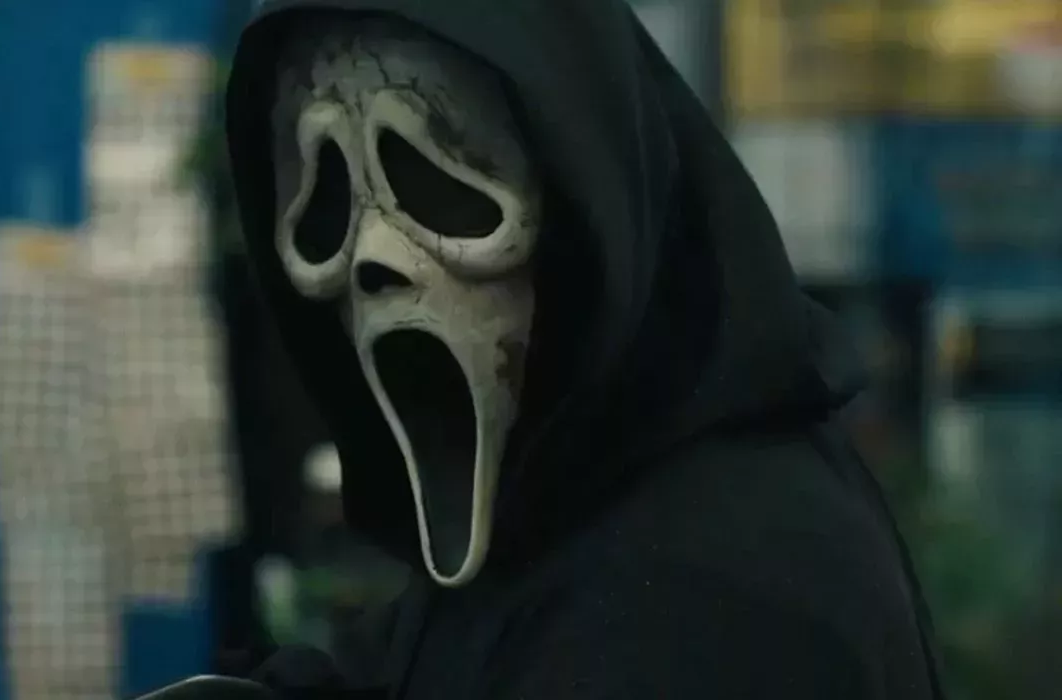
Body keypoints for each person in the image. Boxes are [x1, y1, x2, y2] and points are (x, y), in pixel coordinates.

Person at [217, 1, 945, 698]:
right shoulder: (559, 507)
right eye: (328, 202)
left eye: (437, 184)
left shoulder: (712, 590)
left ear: (580, 201)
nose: (373, 259)